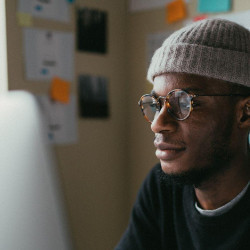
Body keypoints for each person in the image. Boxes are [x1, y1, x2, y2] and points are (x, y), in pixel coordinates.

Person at [115, 18, 250, 250]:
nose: (157, 124)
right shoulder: (161, 188)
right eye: (157, 104)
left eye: (184, 102)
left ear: (245, 114)